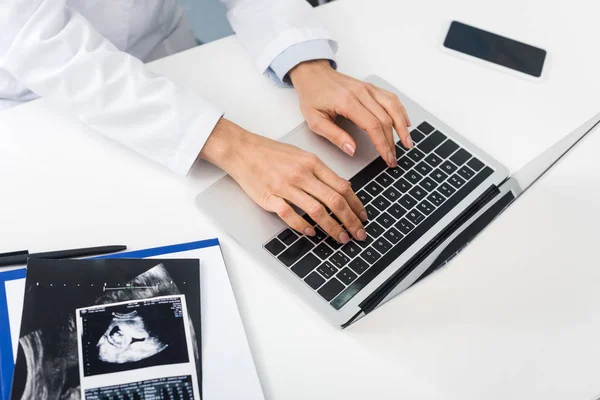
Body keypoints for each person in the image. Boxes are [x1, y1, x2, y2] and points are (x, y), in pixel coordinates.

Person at [1, 0, 413, 245]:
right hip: (43, 103)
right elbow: (48, 48)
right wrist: (236, 147)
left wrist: (305, 62)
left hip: (171, 50)